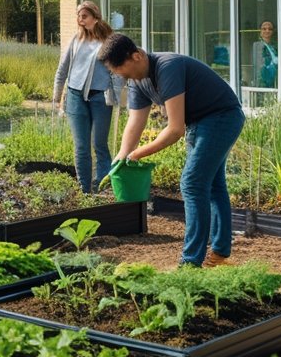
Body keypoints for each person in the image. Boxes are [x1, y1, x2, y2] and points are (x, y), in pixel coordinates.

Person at [101, 33, 244, 268]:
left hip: (222, 117)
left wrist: (139, 153)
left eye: (120, 69)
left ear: (136, 56)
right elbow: (135, 122)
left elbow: (175, 129)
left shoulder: (168, 67)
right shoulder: (137, 80)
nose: (120, 76)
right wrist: (121, 157)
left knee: (193, 182)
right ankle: (219, 255)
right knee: (213, 184)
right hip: (200, 122)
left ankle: (190, 262)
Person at [52, 0, 120, 192]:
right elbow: (62, 69)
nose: (80, 21)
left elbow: (118, 71)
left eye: (84, 16)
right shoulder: (76, 40)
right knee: (81, 147)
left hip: (100, 98)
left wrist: (115, 95)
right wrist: (57, 97)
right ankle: (85, 189)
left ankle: (103, 186)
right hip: (75, 97)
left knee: (99, 144)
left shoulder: (109, 40)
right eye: (78, 17)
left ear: (95, 18)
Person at [251, 21, 278, 88]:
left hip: (276, 79)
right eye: (264, 29)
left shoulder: (275, 46)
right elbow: (259, 66)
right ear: (260, 31)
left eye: (270, 29)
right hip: (262, 81)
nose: (267, 31)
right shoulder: (258, 45)